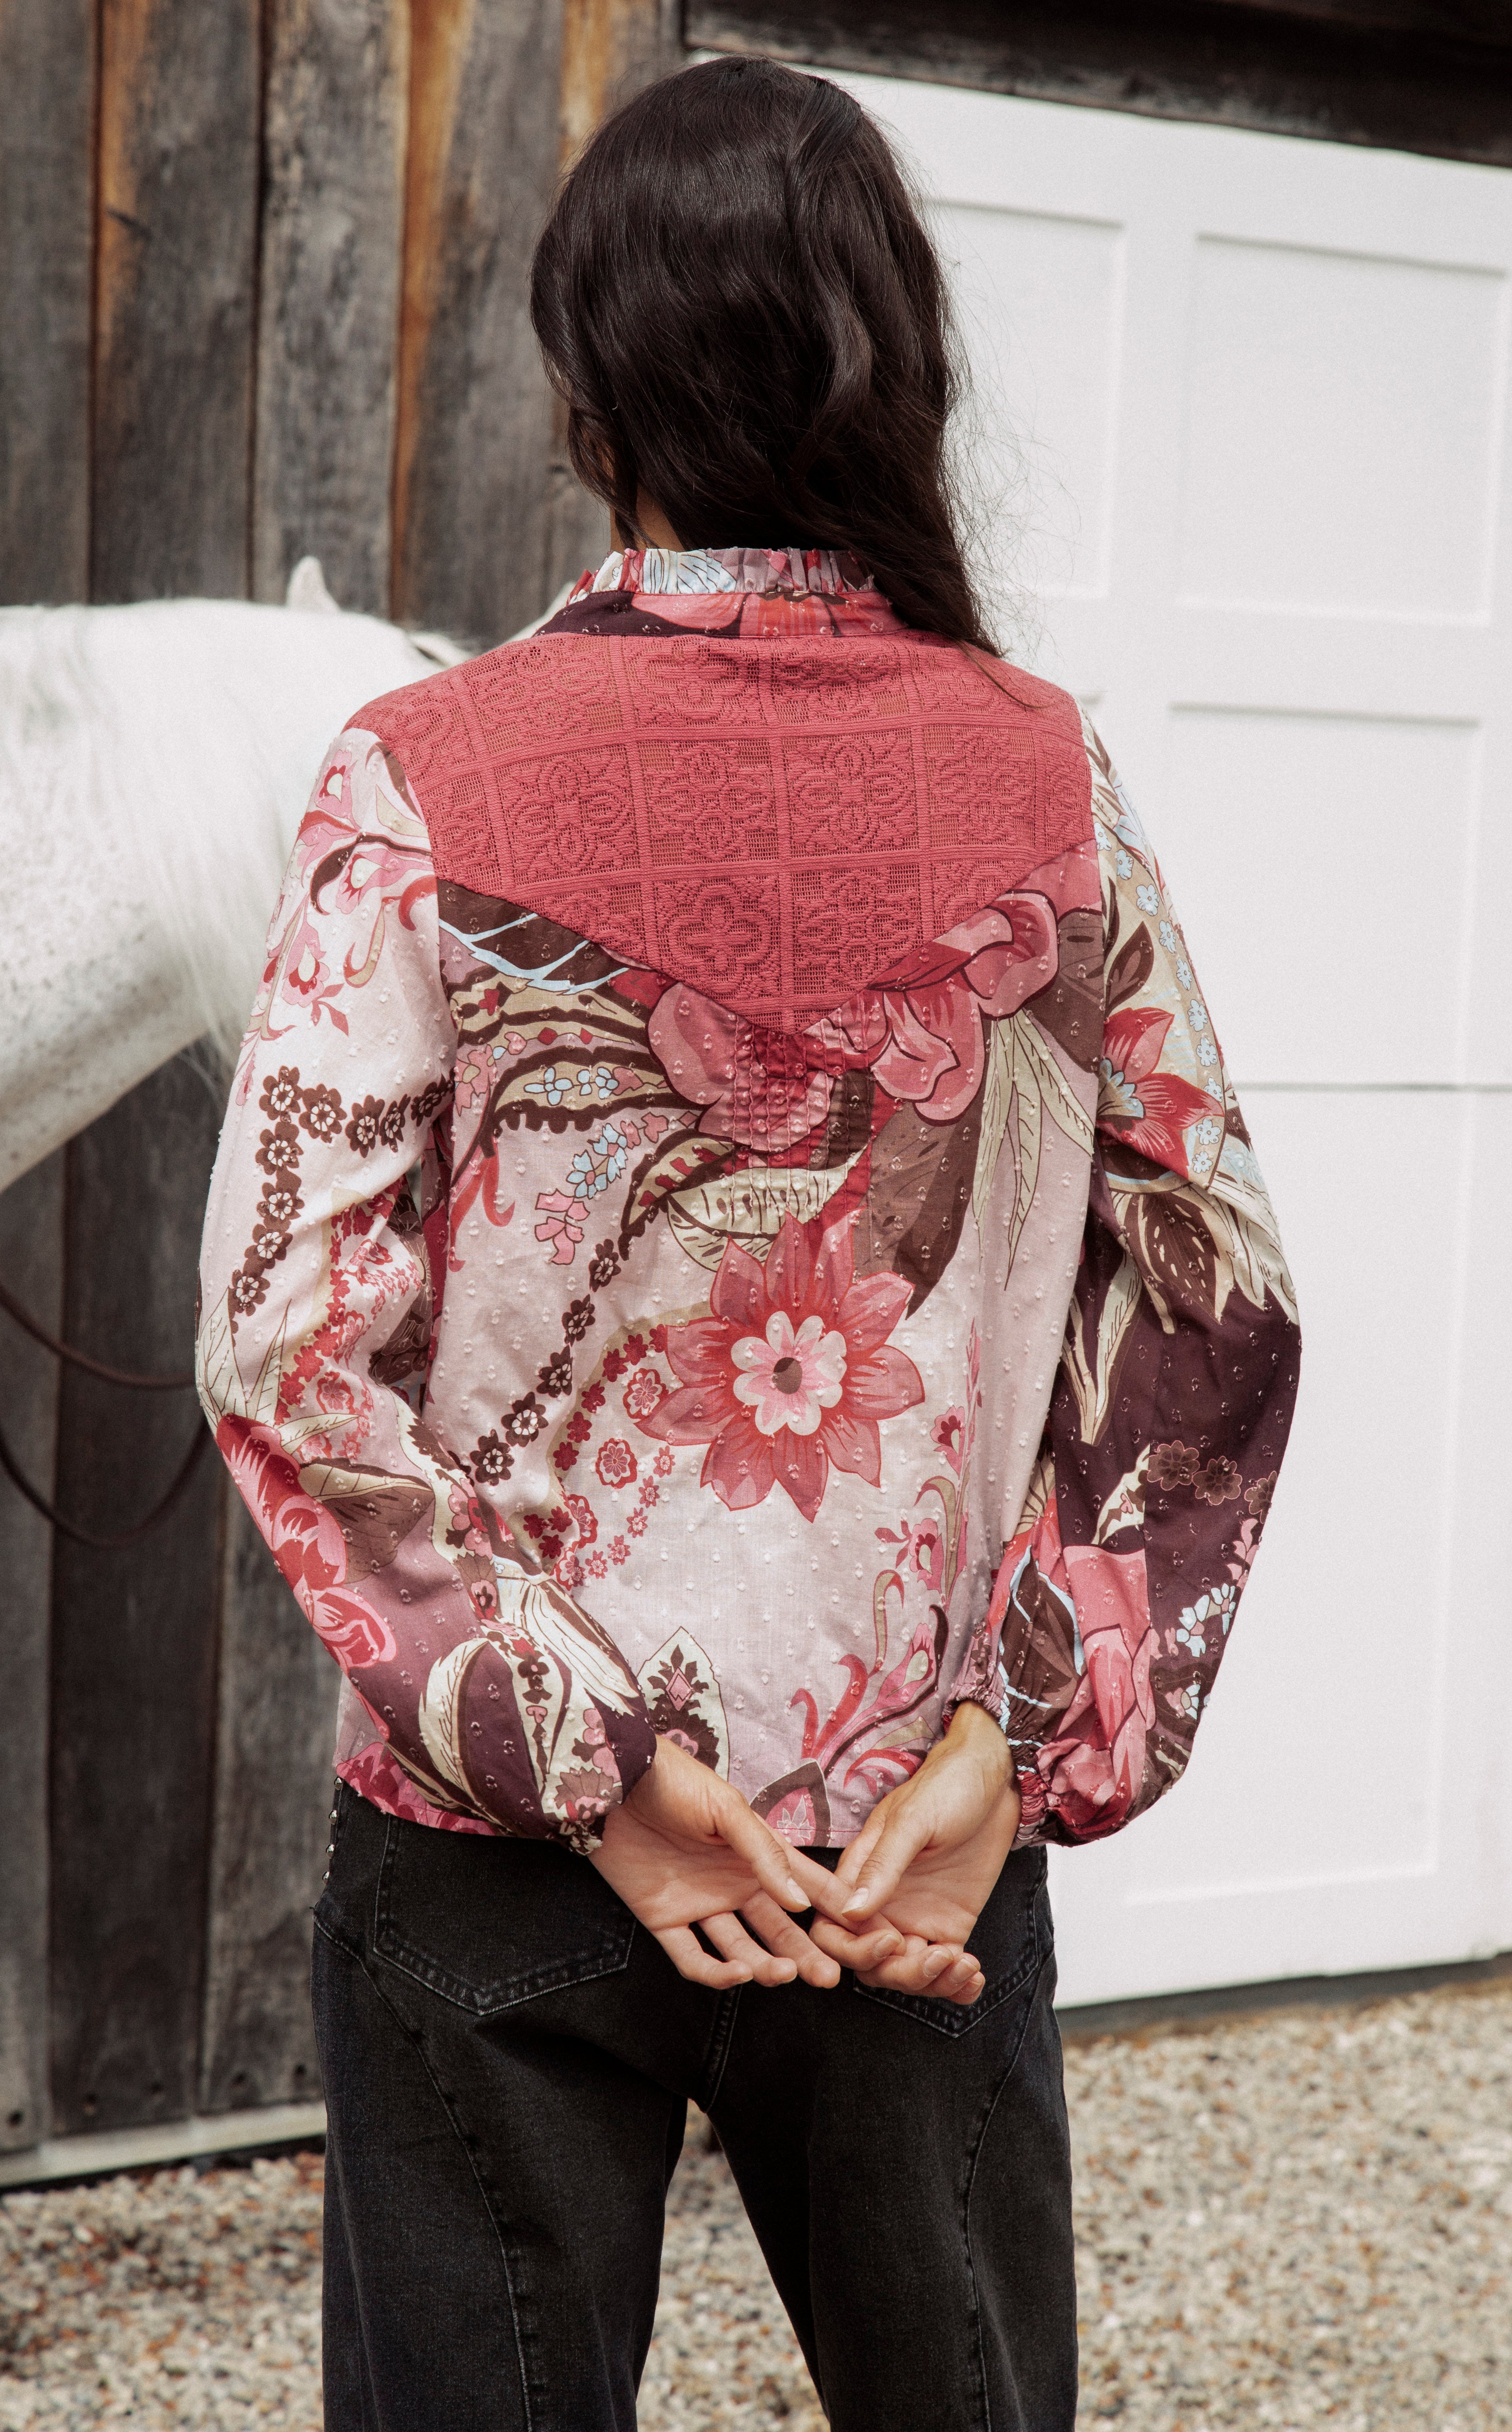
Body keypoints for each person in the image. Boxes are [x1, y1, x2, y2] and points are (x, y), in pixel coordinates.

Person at [196, 53, 1299, 2432]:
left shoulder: (420, 770)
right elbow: (1213, 1301)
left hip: (499, 1844)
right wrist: (1014, 1745)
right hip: (909, 1843)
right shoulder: (1046, 771)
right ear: (892, 366)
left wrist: (584, 1756)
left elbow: (287, 1344)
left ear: (587, 382)